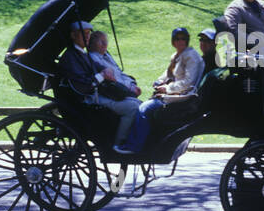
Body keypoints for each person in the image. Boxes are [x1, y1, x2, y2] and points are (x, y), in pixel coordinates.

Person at [59, 20, 142, 152]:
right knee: (133, 107)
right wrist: (102, 75)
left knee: (137, 103)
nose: (87, 36)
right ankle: (119, 144)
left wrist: (107, 72)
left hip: (97, 94)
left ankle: (132, 139)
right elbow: (83, 86)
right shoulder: (70, 57)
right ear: (73, 36)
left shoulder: (82, 54)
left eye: (88, 33)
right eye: (83, 33)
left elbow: (102, 69)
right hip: (88, 100)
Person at [139, 27, 204, 125]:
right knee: (142, 106)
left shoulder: (191, 56)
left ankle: (136, 140)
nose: (180, 41)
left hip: (183, 95)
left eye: (183, 38)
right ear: (173, 41)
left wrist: (167, 88)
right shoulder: (177, 55)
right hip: (174, 93)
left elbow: (188, 83)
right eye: (177, 39)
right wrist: (159, 81)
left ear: (187, 40)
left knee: (144, 109)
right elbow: (168, 73)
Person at [87, 30, 141, 97]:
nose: (105, 44)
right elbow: (114, 80)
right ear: (92, 44)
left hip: (125, 86)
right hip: (117, 92)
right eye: (100, 41)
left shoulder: (106, 54)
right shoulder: (93, 58)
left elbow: (119, 72)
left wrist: (132, 84)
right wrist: (129, 87)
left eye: (106, 41)